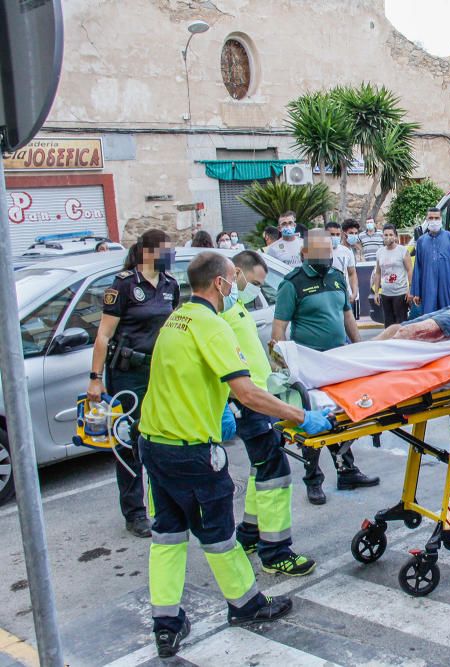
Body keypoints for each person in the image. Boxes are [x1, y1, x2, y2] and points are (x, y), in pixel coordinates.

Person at [138, 251, 332, 658]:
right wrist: (301, 416)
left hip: (154, 446)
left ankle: (166, 625)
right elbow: (247, 391)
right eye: (231, 278)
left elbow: (184, 377)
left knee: (168, 537)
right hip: (192, 451)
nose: (234, 284)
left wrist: (220, 405)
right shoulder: (212, 325)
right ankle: (247, 605)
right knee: (219, 537)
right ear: (220, 283)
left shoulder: (176, 319)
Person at [222, 250, 316, 577]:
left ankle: (249, 533)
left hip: (260, 399)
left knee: (260, 468)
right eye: (255, 282)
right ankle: (275, 551)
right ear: (236, 274)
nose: (256, 290)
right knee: (275, 473)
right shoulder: (221, 313)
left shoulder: (235, 307)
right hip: (251, 405)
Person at [272, 229, 379, 505]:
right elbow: (279, 330)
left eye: (329, 252)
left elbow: (346, 315)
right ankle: (313, 480)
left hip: (338, 360)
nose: (326, 258)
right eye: (320, 253)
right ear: (304, 254)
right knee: (314, 423)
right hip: (309, 366)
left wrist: (359, 349)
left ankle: (347, 470)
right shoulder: (292, 284)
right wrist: (284, 368)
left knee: (343, 417)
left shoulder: (335, 278)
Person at [88, 229, 179, 538]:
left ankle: (162, 502)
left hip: (158, 373)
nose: (171, 255)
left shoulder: (170, 285)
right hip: (128, 373)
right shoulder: (124, 285)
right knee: (129, 443)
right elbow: (103, 335)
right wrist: (95, 379)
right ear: (148, 252)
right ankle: (135, 512)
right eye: (166, 249)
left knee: (159, 438)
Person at [411, 207, 450, 313]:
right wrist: (416, 292)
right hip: (428, 286)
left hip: (447, 286)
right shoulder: (421, 241)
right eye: (431, 218)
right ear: (427, 220)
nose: (434, 221)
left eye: (436, 218)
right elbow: (418, 267)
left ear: (441, 219)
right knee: (430, 316)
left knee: (448, 315)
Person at [372, 224, 413, 328]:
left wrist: (410, 290)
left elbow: (409, 270)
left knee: (401, 325)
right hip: (385, 294)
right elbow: (378, 272)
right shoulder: (379, 252)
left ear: (395, 236)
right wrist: (376, 292)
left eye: (390, 234)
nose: (388, 237)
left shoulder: (402, 251)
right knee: (388, 325)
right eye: (385, 235)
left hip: (400, 293)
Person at [325, 221, 360, 304]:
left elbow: (352, 273)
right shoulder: (319, 252)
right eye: (332, 235)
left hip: (344, 294)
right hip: (326, 296)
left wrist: (354, 292)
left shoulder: (346, 251)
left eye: (337, 235)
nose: (335, 237)